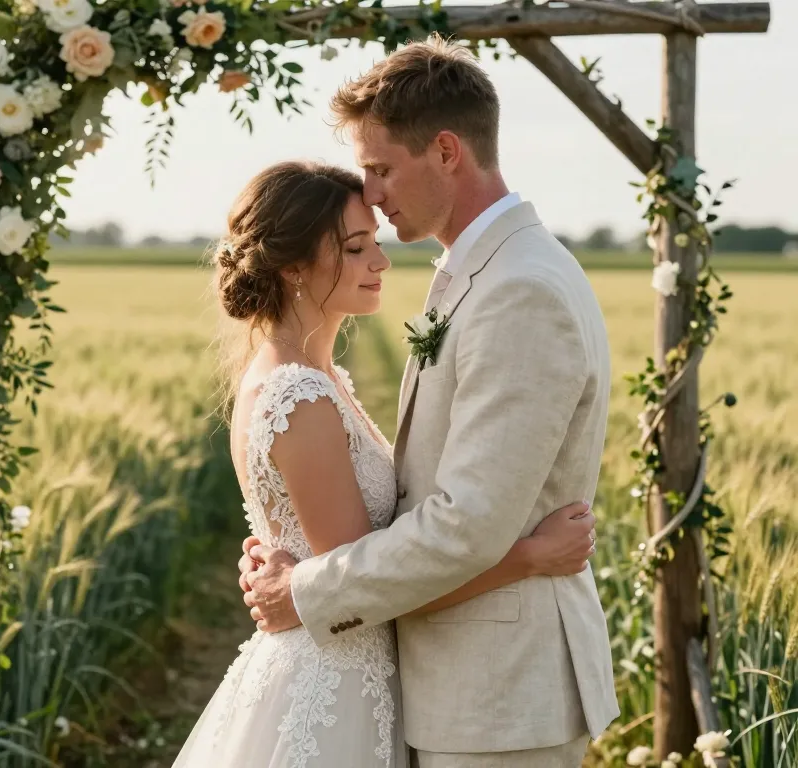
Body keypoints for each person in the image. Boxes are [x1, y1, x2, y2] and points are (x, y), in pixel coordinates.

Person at [237, 35, 619, 768]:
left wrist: (305, 590)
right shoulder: (484, 271)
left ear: (446, 151)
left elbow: (464, 526)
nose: (371, 195)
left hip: (499, 696)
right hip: (455, 685)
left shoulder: (519, 291)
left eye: (380, 168)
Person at [170, 156, 598, 768]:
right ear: (292, 264)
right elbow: (377, 584)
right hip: (333, 687)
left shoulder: (322, 381)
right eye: (354, 247)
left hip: (357, 670)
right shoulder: (300, 398)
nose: (381, 261)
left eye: (374, 241)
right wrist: (528, 558)